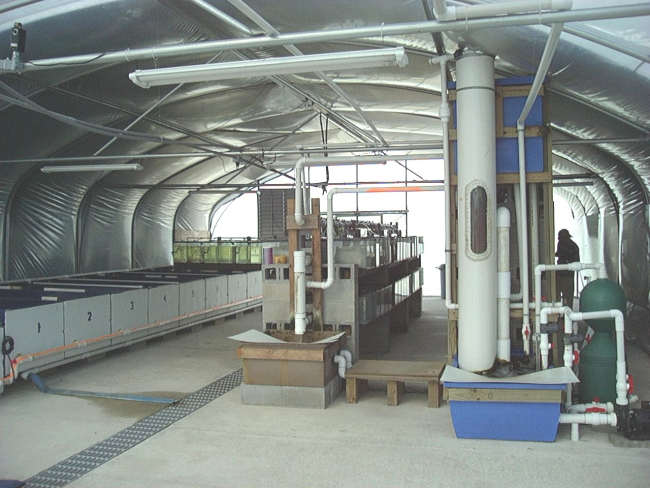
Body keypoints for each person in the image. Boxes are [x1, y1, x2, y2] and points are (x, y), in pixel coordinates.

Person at [555, 229, 580, 306]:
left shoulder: (573, 247)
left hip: (568, 275)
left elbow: (576, 261)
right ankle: (558, 312)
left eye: (560, 237)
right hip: (560, 273)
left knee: (568, 297)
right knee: (556, 294)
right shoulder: (561, 243)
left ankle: (567, 314)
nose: (558, 239)